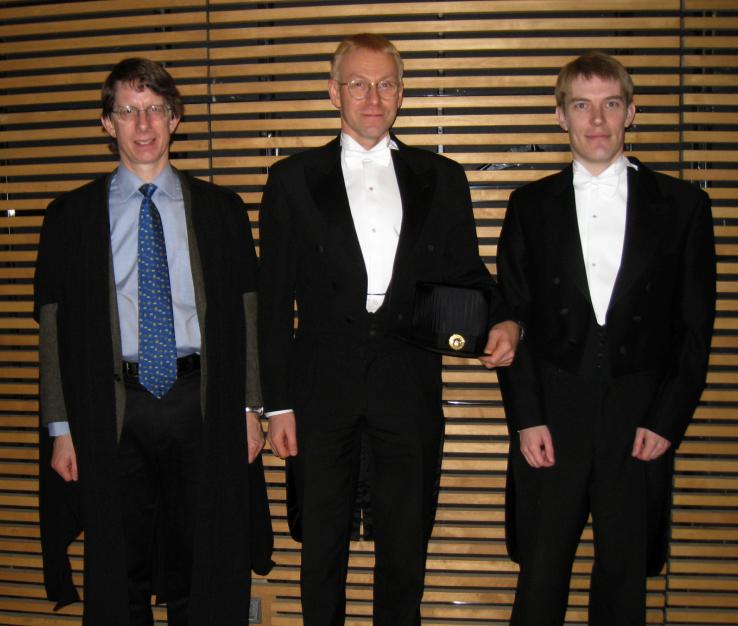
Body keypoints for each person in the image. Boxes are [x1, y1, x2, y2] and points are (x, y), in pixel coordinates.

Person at [258, 33, 520, 625]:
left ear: (401, 93)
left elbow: (467, 273)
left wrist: (503, 317)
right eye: (358, 84)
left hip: (408, 382)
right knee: (320, 546)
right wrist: (277, 405)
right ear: (334, 92)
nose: (372, 98)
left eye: (385, 84)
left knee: (406, 546)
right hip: (319, 387)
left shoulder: (442, 177)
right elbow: (272, 304)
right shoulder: (291, 179)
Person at [33, 57, 272, 626]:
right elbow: (51, 328)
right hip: (110, 409)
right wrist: (61, 429)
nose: (144, 125)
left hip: (202, 402)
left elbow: (248, 315)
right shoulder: (69, 216)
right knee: (118, 564)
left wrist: (251, 409)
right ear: (107, 123)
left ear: (175, 118)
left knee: (207, 560)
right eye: (128, 111)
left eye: (156, 110)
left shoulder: (221, 210)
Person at [496, 51, 716, 626]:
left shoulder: (684, 207)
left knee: (623, 585)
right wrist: (527, 417)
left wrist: (666, 419)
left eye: (610, 104)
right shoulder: (528, 206)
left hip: (639, 418)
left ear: (631, 112)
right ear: (561, 116)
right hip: (552, 414)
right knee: (540, 580)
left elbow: (695, 329)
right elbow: (512, 317)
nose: (597, 120)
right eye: (582, 106)